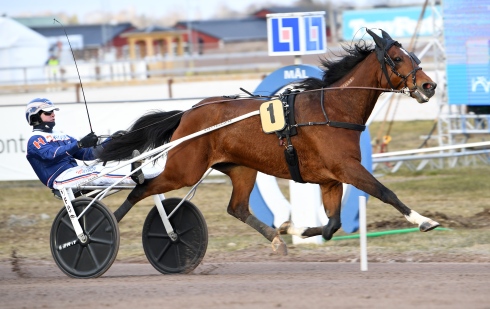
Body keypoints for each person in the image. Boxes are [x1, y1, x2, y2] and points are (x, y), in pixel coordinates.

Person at [25, 98, 157, 190]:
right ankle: (138, 177)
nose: (53, 115)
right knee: (98, 173)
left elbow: (87, 155)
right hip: (59, 178)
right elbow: (51, 155)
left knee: (104, 168)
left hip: (73, 172)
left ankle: (155, 173)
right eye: (48, 112)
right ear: (35, 117)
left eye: (53, 111)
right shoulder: (34, 140)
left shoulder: (61, 134)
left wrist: (110, 141)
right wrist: (80, 144)